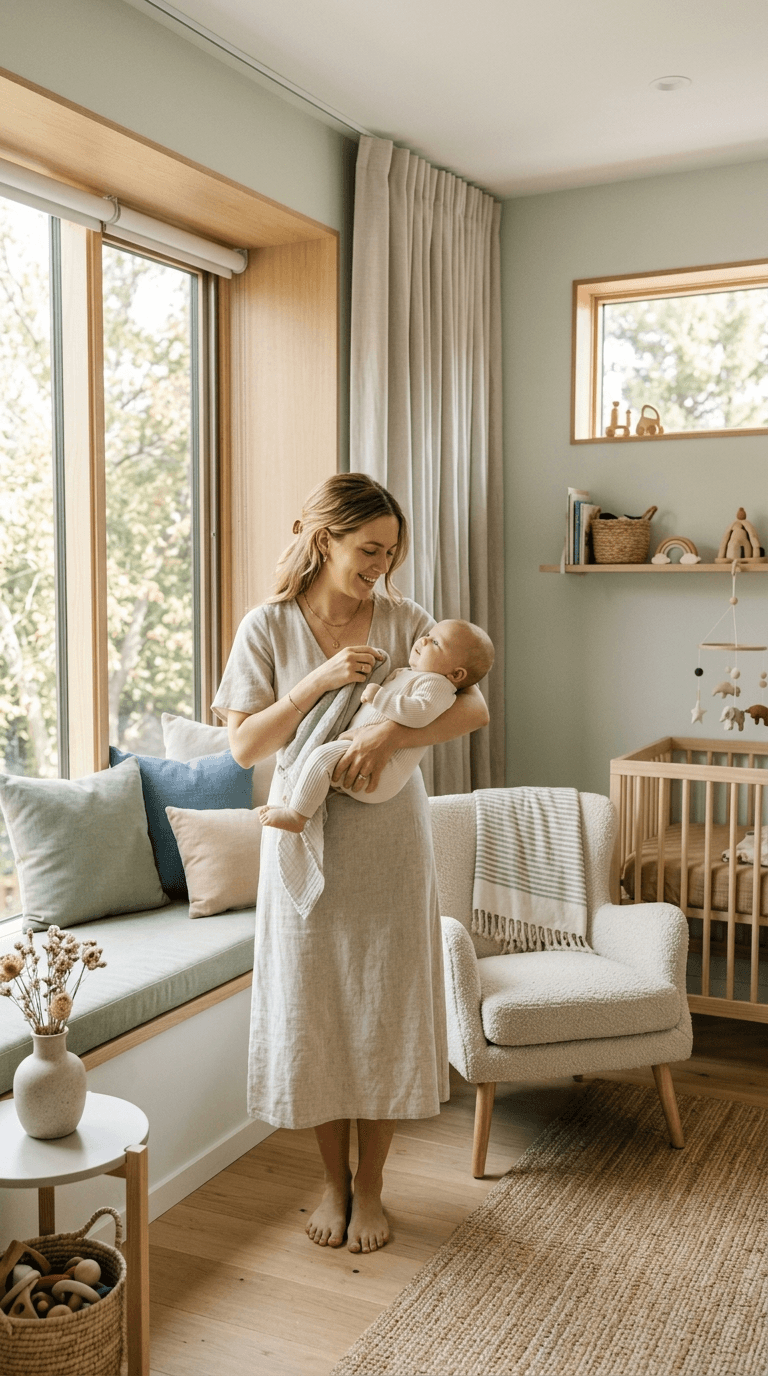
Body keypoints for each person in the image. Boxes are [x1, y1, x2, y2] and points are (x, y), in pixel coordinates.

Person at [211, 473, 489, 1255]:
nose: (381, 565)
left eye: (391, 551)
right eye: (369, 550)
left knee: (382, 1009)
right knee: (318, 1012)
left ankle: (372, 1189)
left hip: (389, 840)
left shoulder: (406, 619)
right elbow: (244, 747)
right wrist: (318, 682)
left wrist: (386, 738)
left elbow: (473, 705)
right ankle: (331, 1182)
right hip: (302, 839)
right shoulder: (265, 628)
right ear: (323, 538)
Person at [258, 619, 495, 832]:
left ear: (456, 674)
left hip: (383, 771)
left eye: (434, 642)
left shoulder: (437, 684)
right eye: (428, 634)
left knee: (321, 758)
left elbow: (420, 713)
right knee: (322, 761)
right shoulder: (415, 674)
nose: (423, 639)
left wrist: (380, 700)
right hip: (363, 762)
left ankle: (296, 816)